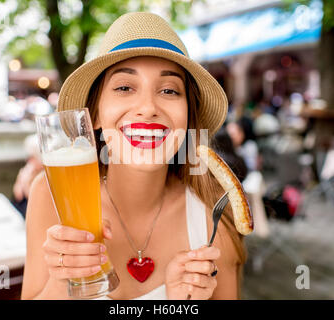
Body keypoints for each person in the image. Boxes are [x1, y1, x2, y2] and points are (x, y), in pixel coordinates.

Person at [21, 12, 246, 300]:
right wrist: (62, 281)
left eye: (168, 90)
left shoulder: (215, 217)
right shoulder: (48, 194)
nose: (148, 107)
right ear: (96, 113)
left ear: (188, 117)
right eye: (124, 87)